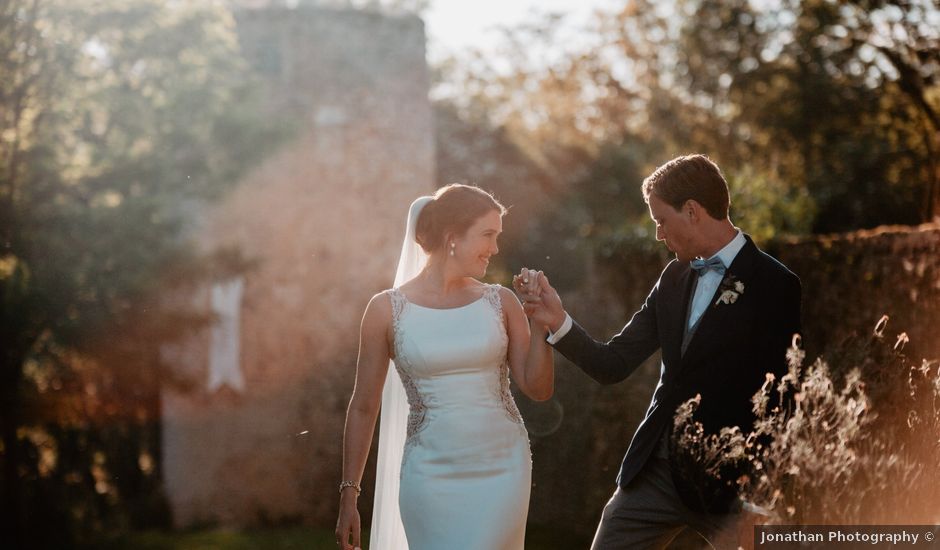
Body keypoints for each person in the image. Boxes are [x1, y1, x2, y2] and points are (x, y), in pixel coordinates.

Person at [514, 154, 801, 549]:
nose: (658, 235)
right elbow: (613, 363)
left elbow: (784, 398)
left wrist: (763, 490)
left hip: (731, 485)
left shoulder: (775, 285)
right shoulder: (673, 277)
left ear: (692, 211)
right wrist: (558, 321)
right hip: (656, 472)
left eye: (661, 221)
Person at [335, 184, 554, 550]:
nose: (496, 248)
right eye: (488, 235)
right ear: (453, 237)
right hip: (429, 475)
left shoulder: (502, 301)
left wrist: (539, 322)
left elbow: (539, 388)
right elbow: (363, 406)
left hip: (502, 469)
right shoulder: (385, 310)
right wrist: (349, 496)